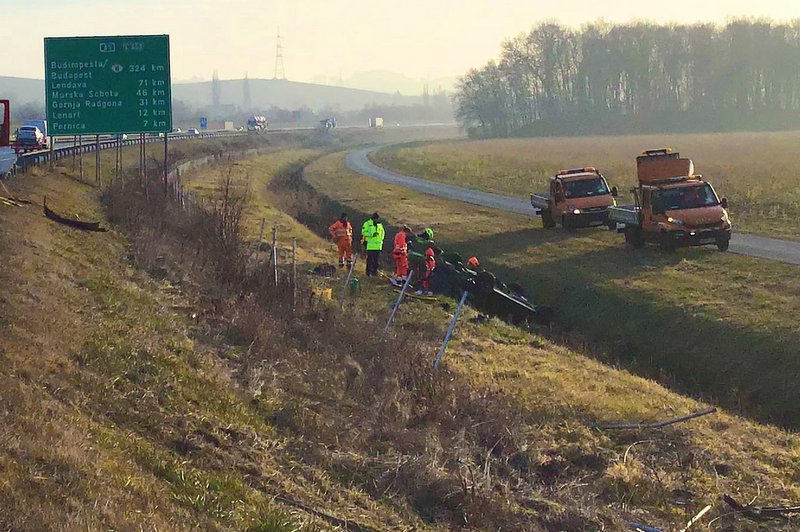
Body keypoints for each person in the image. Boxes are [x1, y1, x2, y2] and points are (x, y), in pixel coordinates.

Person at [361, 212, 385, 277]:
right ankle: (368, 273)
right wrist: (371, 235)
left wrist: (381, 241)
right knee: (370, 260)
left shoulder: (380, 225)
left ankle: (374, 273)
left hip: (378, 246)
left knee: (376, 261)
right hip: (370, 246)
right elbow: (363, 232)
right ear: (374, 218)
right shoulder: (367, 224)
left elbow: (383, 234)